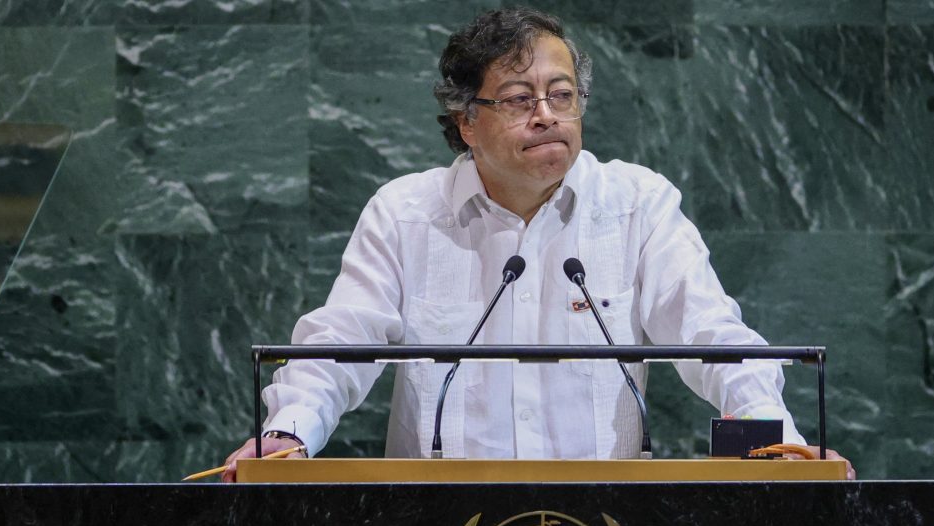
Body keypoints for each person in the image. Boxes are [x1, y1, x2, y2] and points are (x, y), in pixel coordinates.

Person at [223, 8, 854, 481]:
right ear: (466, 122)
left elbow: (712, 337)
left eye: (562, 96)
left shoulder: (636, 204)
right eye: (521, 100)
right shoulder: (405, 213)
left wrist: (779, 444)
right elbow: (340, 342)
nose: (547, 115)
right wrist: (288, 433)